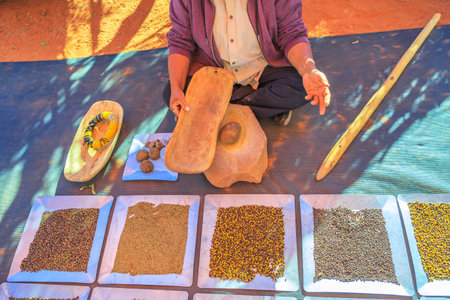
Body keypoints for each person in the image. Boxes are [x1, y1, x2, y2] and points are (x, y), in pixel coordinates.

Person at [163, 0, 331, 126]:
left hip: (263, 66)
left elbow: (292, 34)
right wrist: (177, 88)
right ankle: (254, 106)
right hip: (214, 69)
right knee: (173, 90)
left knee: (300, 86)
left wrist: (308, 70)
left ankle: (218, 111)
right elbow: (180, 42)